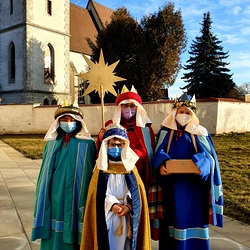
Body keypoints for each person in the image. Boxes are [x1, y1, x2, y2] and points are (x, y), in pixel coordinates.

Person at [151, 93, 223, 250]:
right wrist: (160, 164)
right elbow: (158, 153)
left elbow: (211, 159)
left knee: (193, 222)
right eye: (180, 112)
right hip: (171, 190)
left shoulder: (201, 133)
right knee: (172, 224)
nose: (183, 115)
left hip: (194, 190)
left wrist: (200, 165)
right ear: (174, 113)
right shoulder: (165, 132)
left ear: (193, 114)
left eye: (187, 113)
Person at [31, 101, 96, 250]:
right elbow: (45, 173)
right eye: (64, 120)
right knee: (57, 218)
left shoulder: (88, 144)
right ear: (58, 122)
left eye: (72, 120)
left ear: (79, 122)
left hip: (79, 191)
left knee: (76, 219)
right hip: (56, 191)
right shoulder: (51, 143)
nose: (68, 123)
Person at [80, 124, 151, 250]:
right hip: (108, 214)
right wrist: (112, 205)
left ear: (125, 146)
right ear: (106, 145)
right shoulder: (100, 169)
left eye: (120, 145)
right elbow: (97, 193)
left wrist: (129, 206)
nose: (116, 147)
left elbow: (136, 192)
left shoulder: (130, 168)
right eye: (113, 145)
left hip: (127, 216)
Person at [96, 85, 155, 193]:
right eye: (125, 106)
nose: (129, 109)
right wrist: (101, 139)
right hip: (115, 173)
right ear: (120, 108)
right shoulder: (110, 125)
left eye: (132, 106)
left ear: (137, 107)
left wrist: (129, 156)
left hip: (138, 170)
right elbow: (102, 151)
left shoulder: (145, 128)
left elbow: (148, 152)